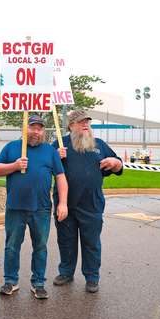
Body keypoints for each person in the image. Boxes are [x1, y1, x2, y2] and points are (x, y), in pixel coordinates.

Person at [0, 114, 68, 299]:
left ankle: (38, 283)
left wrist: (63, 203)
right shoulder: (12, 148)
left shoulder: (49, 151)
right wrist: (14, 165)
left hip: (41, 208)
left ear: (43, 131)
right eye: (32, 127)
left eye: (40, 128)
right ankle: (11, 281)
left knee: (40, 246)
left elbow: (60, 177)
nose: (36, 131)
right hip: (15, 207)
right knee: (12, 246)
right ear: (25, 128)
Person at [52, 110, 123, 293]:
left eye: (87, 122)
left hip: (91, 204)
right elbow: (45, 169)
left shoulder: (99, 145)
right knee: (66, 241)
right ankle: (66, 272)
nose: (85, 125)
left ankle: (92, 277)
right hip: (65, 203)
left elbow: (117, 164)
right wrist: (55, 157)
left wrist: (116, 164)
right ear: (71, 125)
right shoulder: (60, 145)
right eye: (81, 122)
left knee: (91, 242)